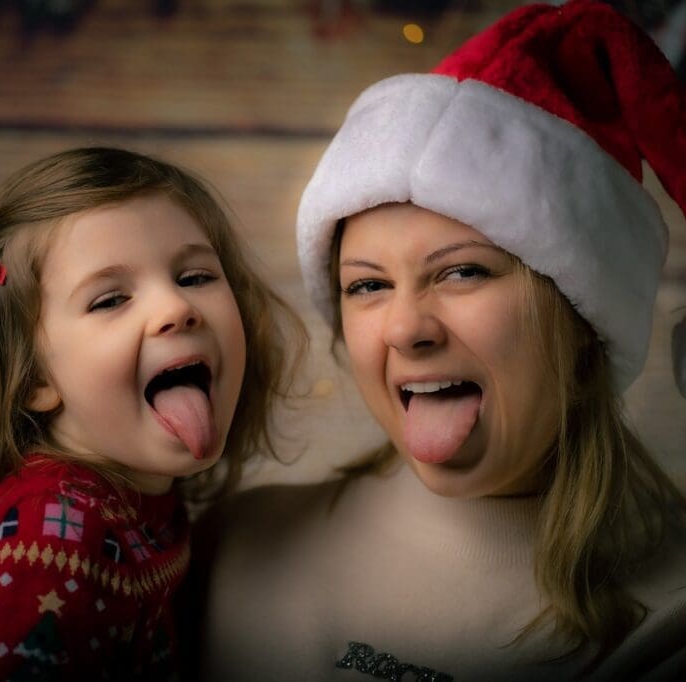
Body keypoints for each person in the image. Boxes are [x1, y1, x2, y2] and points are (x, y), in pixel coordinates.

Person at [194, 1, 686, 680]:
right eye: (367, 286)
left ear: (582, 322)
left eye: (462, 272)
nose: (404, 328)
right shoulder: (229, 543)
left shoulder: (666, 617)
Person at [0, 147, 303, 680]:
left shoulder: (138, 498)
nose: (177, 309)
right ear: (33, 379)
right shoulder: (45, 542)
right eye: (110, 300)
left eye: (194, 277)